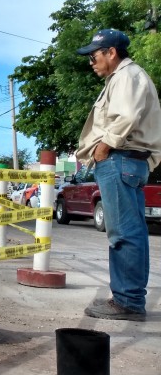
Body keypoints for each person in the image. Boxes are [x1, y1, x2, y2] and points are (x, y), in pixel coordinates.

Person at [75, 29, 161, 321]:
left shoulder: (126, 76)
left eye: (94, 55)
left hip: (119, 158)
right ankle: (129, 297)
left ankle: (127, 301)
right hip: (127, 160)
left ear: (112, 52)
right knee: (132, 231)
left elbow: (125, 118)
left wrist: (103, 148)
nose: (91, 62)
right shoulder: (127, 77)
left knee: (124, 233)